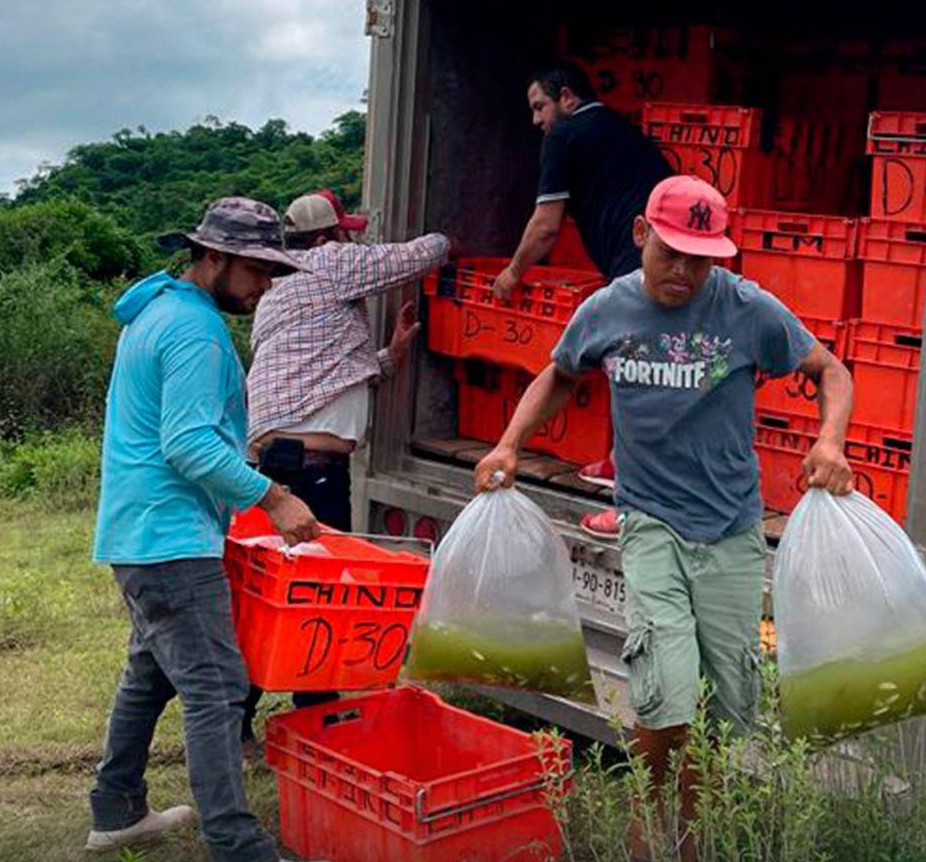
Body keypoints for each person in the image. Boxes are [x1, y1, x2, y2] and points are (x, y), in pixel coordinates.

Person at [474, 176, 855, 862]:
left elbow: (831, 370)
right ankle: (651, 829)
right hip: (650, 520)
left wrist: (829, 442)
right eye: (670, 252)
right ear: (640, 235)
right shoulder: (607, 309)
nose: (683, 271)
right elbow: (561, 373)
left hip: (731, 528)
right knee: (667, 689)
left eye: (700, 260)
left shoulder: (747, 309)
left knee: (727, 702)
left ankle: (692, 829)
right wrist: (509, 444)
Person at [87, 198, 323, 861]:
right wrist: (273, 498)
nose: (265, 286)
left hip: (142, 532)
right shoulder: (194, 330)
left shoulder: (157, 310)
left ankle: (117, 811)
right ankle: (236, 843)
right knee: (217, 687)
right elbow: (187, 443)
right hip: (170, 538)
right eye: (257, 270)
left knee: (150, 674)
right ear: (213, 257)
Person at [239, 188, 451, 743]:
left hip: (275, 460)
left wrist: (392, 355)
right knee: (320, 592)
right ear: (330, 236)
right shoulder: (330, 263)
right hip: (310, 469)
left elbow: (327, 373)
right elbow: (419, 255)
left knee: (276, 591)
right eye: (346, 233)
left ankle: (241, 717)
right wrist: (455, 235)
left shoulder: (278, 289)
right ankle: (315, 719)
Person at [492, 60, 672, 530]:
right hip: (662, 262)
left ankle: (631, 506)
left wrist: (512, 272)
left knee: (642, 379)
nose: (536, 120)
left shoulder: (564, 135)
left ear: (567, 98)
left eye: (540, 107)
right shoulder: (620, 129)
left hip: (639, 267)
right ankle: (616, 461)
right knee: (631, 369)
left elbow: (546, 226)